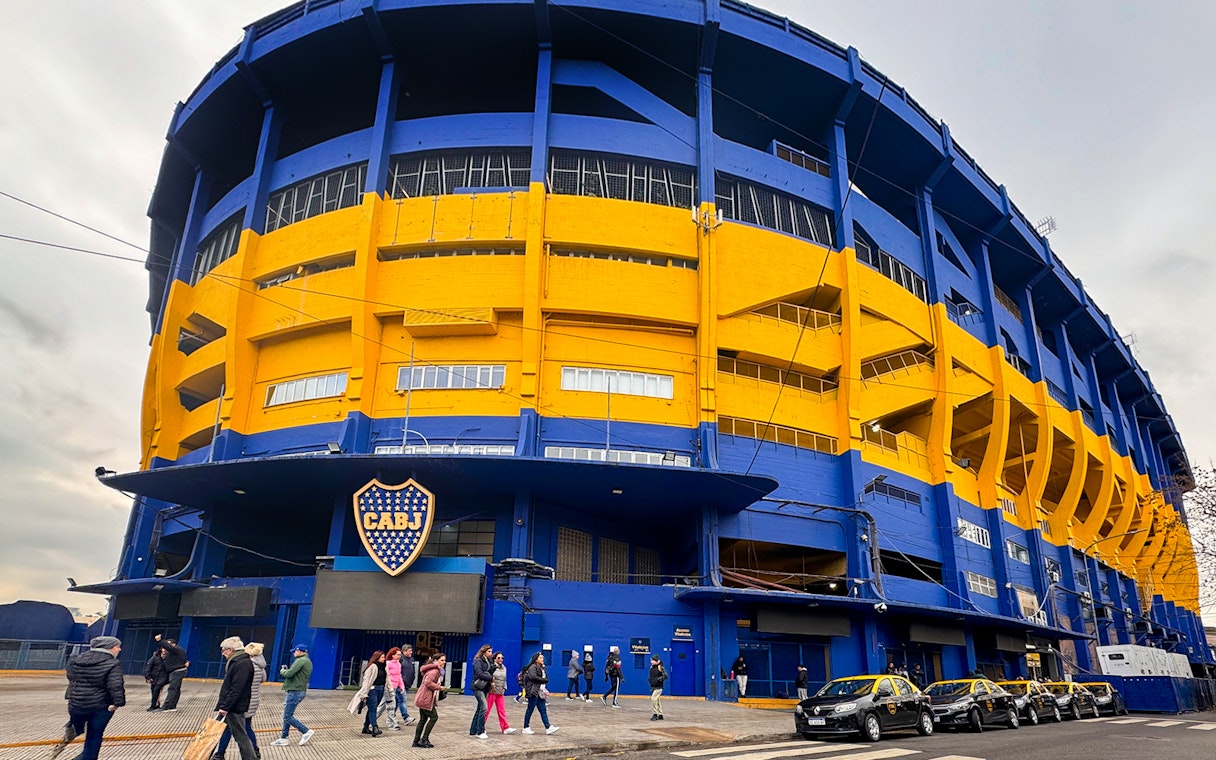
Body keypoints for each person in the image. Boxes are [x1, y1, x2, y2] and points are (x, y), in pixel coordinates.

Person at [52, 635, 125, 760]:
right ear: (110, 648)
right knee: (94, 735)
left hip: (76, 704)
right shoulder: (112, 663)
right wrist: (118, 702)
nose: (119, 650)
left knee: (80, 727)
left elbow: (72, 679)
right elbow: (115, 685)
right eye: (118, 647)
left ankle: (74, 728)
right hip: (100, 706)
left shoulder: (75, 659)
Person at [213, 642, 265, 760]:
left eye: (224, 650)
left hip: (241, 700)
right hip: (252, 699)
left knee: (241, 730)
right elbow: (263, 679)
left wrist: (226, 705)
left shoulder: (244, 664)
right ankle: (252, 752)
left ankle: (222, 754)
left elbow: (237, 687)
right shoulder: (260, 666)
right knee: (241, 728)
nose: (223, 653)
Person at [271, 643, 314, 746]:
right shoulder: (306, 661)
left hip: (295, 691)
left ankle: (305, 731)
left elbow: (289, 673)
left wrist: (283, 671)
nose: (294, 653)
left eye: (295, 651)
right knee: (287, 715)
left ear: (300, 651)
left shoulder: (300, 661)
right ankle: (283, 738)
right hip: (298, 690)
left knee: (287, 717)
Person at [413, 652, 446, 748]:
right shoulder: (435, 671)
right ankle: (424, 739)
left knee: (423, 719)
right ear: (436, 661)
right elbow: (428, 682)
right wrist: (439, 687)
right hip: (425, 698)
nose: (444, 662)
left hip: (423, 697)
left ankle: (416, 741)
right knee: (434, 717)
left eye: (444, 660)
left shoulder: (435, 669)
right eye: (442, 660)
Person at [521, 651, 559, 735]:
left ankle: (548, 727)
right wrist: (544, 680)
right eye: (540, 658)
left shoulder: (542, 668)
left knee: (543, 710)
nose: (543, 659)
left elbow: (546, 678)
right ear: (536, 660)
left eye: (542, 658)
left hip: (540, 692)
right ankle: (525, 727)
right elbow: (533, 677)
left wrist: (545, 679)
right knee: (530, 709)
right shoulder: (532, 667)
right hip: (533, 691)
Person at [353, 650, 386, 736]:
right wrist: (364, 693)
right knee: (373, 708)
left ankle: (366, 727)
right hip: (372, 690)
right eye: (382, 657)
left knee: (372, 708)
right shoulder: (371, 667)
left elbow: (387, 679)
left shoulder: (384, 667)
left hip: (381, 689)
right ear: (377, 658)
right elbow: (366, 680)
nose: (384, 659)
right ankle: (375, 727)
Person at [153, 633, 189, 711]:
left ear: (173, 644)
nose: (166, 647)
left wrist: (160, 640)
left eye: (168, 645)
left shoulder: (176, 649)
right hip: (176, 671)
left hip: (177, 671)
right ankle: (172, 706)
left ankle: (166, 706)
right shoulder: (176, 651)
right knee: (176, 689)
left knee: (172, 689)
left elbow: (170, 648)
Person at [484, 651, 516, 735]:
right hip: (491, 692)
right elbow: (488, 676)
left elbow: (504, 679)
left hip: (500, 692)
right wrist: (491, 684)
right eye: (499, 658)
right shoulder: (491, 667)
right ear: (494, 659)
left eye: (502, 658)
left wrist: (505, 687)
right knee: (486, 710)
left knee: (502, 711)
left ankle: (505, 728)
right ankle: (480, 727)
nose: (501, 659)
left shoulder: (504, 668)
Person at [469, 644, 494, 739]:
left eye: (491, 652)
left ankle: (473, 730)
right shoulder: (478, 660)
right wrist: (490, 677)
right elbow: (479, 673)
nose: (490, 653)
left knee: (479, 709)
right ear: (484, 652)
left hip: (485, 687)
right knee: (484, 707)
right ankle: (480, 731)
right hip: (478, 686)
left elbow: (490, 671)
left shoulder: (489, 661)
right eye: (489, 651)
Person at [378, 646, 405, 730]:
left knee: (382, 706)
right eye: (398, 654)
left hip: (394, 687)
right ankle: (391, 724)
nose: (399, 656)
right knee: (391, 706)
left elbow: (399, 676)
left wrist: (401, 686)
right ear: (393, 655)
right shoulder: (388, 663)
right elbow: (387, 676)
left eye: (400, 654)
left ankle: (371, 721)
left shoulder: (398, 664)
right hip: (389, 688)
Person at [648, 654, 667, 721]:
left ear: (656, 661)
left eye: (652, 660)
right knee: (657, 700)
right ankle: (660, 714)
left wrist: (659, 679)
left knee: (653, 699)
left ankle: (655, 713)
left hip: (659, 686)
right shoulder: (652, 667)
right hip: (653, 686)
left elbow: (665, 676)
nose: (651, 661)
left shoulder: (660, 667)